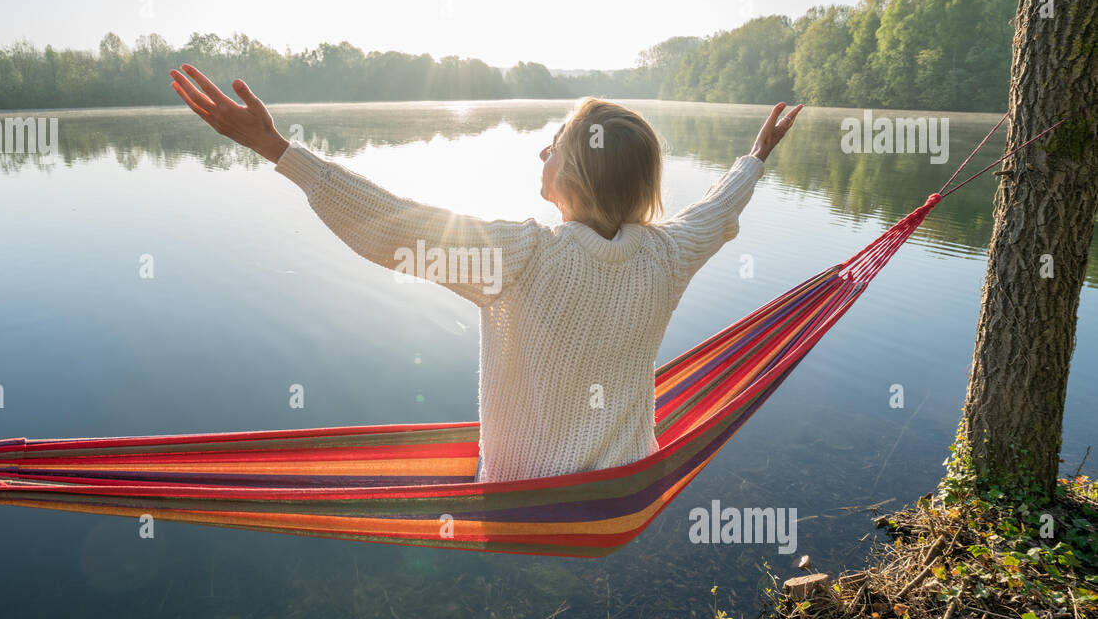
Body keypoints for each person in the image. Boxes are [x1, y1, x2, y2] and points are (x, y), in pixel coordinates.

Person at [170, 64, 802, 483]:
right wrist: (754, 160)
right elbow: (717, 207)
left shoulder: (522, 258)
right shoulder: (667, 254)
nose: (541, 150)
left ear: (579, 172)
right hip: (624, 481)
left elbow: (394, 226)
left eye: (554, 143)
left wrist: (280, 151)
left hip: (525, 493)